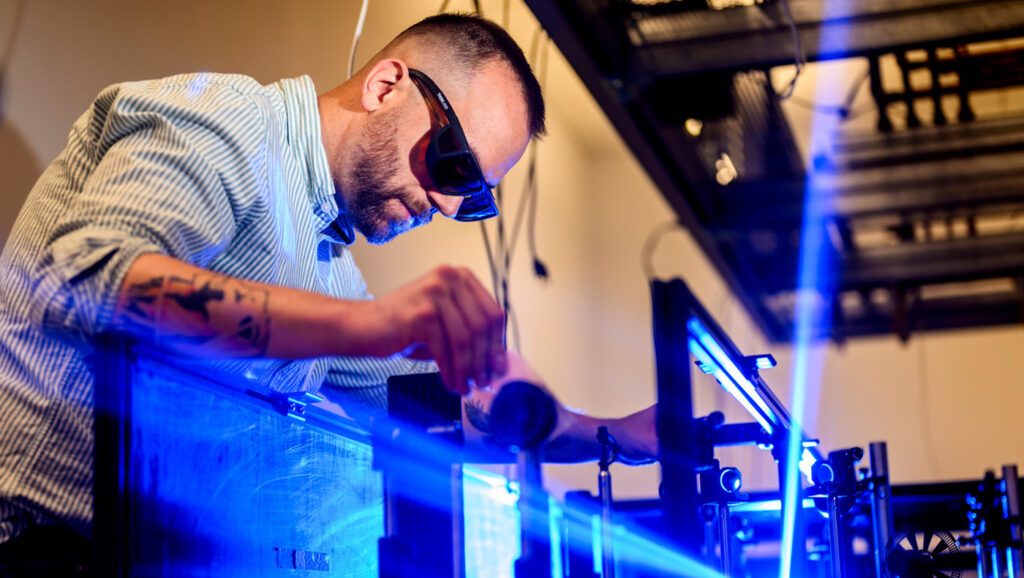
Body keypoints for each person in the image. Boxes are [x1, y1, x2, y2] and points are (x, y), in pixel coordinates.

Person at [0, 12, 655, 574]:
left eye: (475, 196)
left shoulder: (324, 260)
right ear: (385, 85)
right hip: (38, 547)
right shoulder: (230, 123)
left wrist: (607, 431)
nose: (449, 206)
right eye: (454, 165)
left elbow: (440, 410)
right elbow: (83, 278)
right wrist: (368, 324)